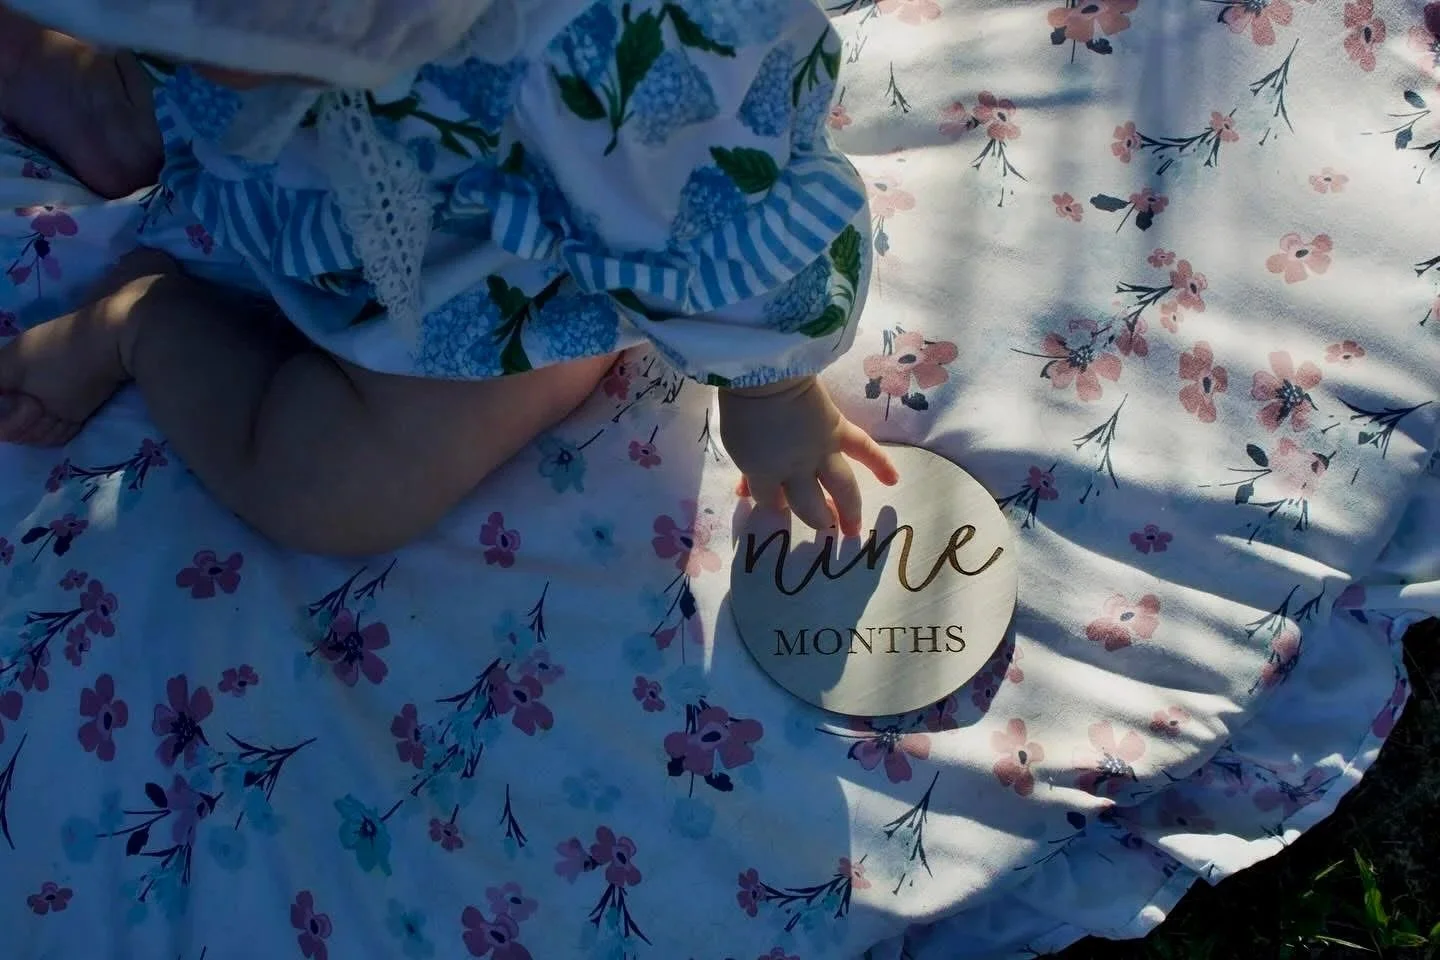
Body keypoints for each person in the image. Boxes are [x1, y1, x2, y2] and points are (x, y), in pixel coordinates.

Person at [0, 0, 897, 556]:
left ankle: (144, 320)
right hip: (283, 153)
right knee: (199, 70)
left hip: (484, 278)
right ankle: (107, 93)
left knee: (330, 493)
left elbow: (732, 212)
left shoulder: (607, 47)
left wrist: (774, 392)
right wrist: (180, 48)